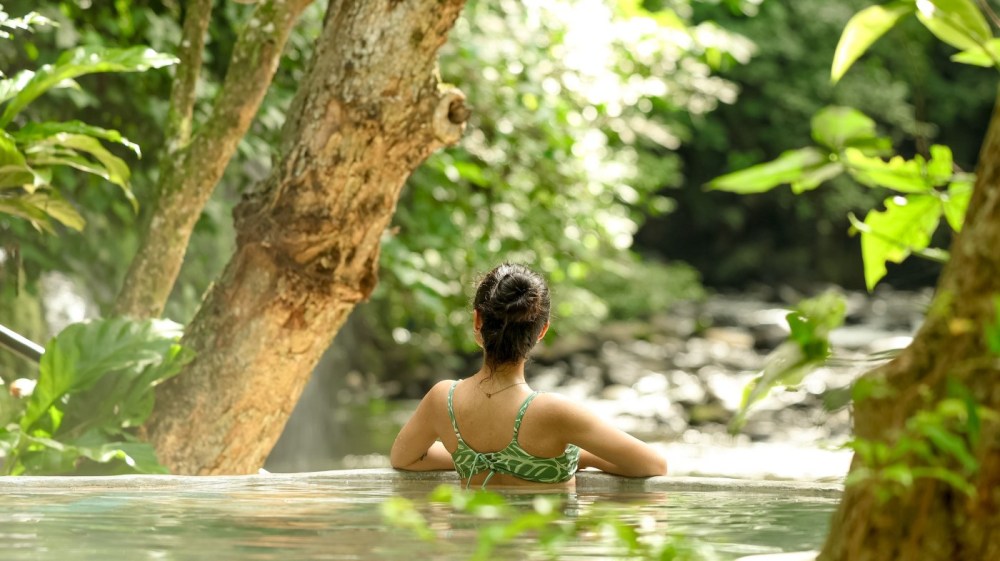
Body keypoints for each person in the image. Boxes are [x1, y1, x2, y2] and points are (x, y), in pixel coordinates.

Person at [390, 262, 667, 488]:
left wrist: (469, 456)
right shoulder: (554, 412)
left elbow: (405, 459)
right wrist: (576, 457)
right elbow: (653, 465)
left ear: (477, 320)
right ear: (542, 331)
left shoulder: (444, 400)